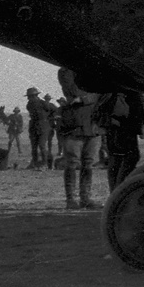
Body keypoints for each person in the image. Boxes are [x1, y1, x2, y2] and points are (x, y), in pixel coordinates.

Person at [55, 69, 100, 209]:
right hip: (74, 125)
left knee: (88, 163)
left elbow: (100, 94)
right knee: (72, 163)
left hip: (92, 125)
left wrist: (84, 99)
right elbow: (73, 91)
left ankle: (85, 198)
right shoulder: (65, 71)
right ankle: (71, 199)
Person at [99, 89, 144, 191]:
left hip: (122, 120)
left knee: (119, 158)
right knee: (126, 157)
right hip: (121, 120)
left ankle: (116, 191)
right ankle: (119, 191)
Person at [24, 87, 52, 168]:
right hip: (34, 126)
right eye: (29, 96)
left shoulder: (43, 103)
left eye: (31, 96)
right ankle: (35, 163)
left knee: (42, 145)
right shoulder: (29, 105)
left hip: (43, 126)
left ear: (35, 95)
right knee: (34, 147)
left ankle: (44, 164)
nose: (29, 98)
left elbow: (50, 109)